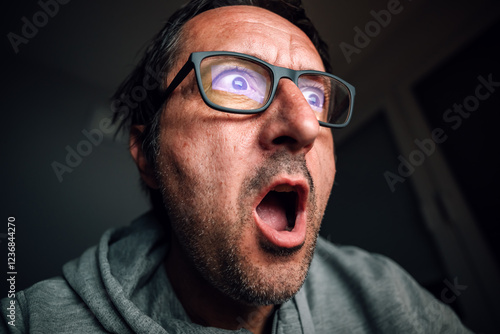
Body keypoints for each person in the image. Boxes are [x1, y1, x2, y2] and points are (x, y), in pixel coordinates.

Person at [1, 0, 472, 333]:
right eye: (236, 81)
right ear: (148, 154)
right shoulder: (32, 321)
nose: (304, 125)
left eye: (313, 96)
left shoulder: (384, 294)